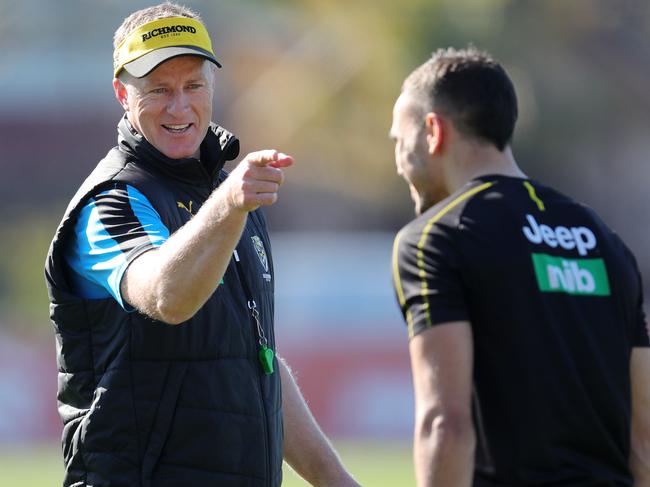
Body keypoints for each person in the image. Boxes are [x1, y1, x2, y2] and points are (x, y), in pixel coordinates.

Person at [45, 3, 359, 486]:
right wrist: (230, 204)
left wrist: (338, 482)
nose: (179, 107)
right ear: (121, 95)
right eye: (159, 90)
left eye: (193, 86)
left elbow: (256, 360)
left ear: (213, 85)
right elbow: (167, 297)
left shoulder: (226, 194)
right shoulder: (110, 203)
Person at [390, 46, 650, 486]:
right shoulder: (605, 241)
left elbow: (445, 424)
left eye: (399, 141)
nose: (398, 163)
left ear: (433, 131)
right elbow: (643, 438)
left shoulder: (435, 238)